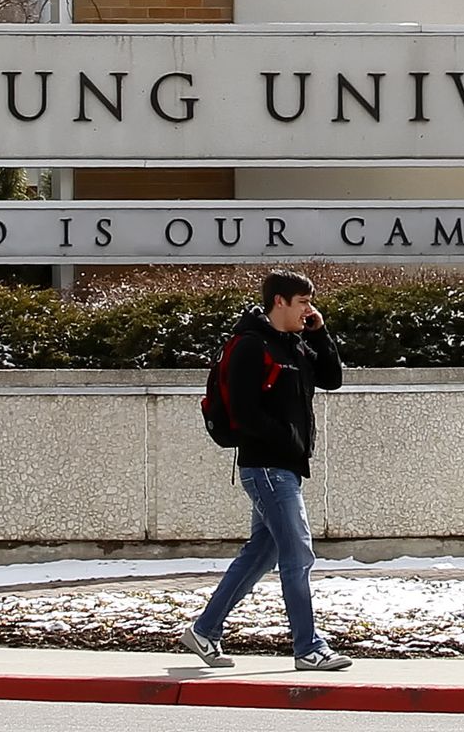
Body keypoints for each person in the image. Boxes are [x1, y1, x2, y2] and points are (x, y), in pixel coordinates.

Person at [180, 269, 352, 672]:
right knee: (298, 555)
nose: (309, 309)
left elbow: (333, 379)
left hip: (285, 467)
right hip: (267, 468)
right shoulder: (250, 347)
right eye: (302, 303)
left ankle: (204, 631)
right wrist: (285, 440)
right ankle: (308, 647)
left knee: (262, 552)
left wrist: (318, 334)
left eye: (310, 302)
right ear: (280, 302)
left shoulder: (293, 344)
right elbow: (243, 413)